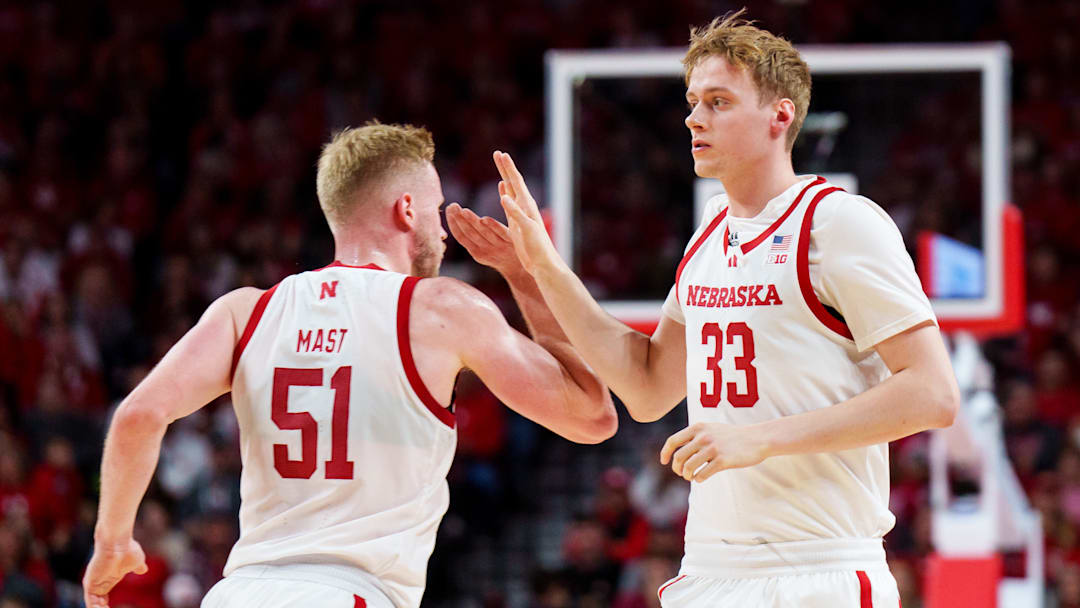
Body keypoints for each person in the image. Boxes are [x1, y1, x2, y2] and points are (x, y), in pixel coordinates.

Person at [456, 11, 960, 607]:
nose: (695, 117)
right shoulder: (709, 233)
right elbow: (645, 388)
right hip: (712, 567)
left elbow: (933, 393)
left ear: (780, 117)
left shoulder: (839, 222)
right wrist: (543, 267)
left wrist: (761, 439)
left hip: (817, 566)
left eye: (719, 101)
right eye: (693, 101)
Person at [82, 122, 617, 608]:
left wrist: (112, 541)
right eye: (435, 212)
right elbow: (592, 416)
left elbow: (137, 416)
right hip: (350, 593)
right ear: (407, 210)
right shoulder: (441, 309)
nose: (445, 231)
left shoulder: (246, 310)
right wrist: (525, 275)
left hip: (239, 592)